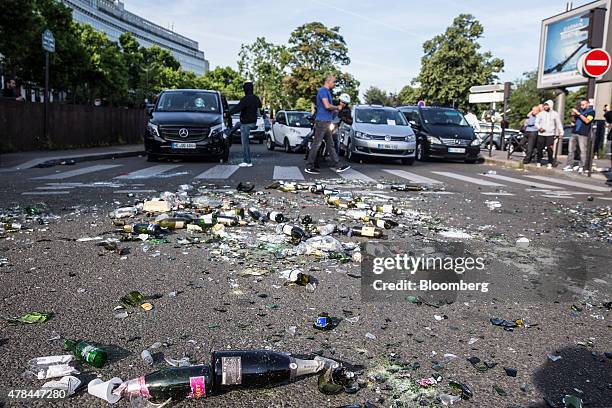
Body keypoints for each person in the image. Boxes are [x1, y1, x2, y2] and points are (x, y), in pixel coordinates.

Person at [304, 75, 350, 175]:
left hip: (327, 122)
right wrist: (337, 107)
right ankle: (309, 166)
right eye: (333, 82)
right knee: (317, 144)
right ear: (328, 81)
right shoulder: (323, 91)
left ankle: (338, 165)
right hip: (322, 121)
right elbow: (327, 106)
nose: (334, 85)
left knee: (330, 145)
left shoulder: (327, 92)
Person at [226, 82, 262, 167]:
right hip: (253, 123)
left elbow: (237, 108)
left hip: (246, 124)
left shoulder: (245, 99)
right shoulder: (255, 98)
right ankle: (227, 133)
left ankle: (247, 161)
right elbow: (260, 105)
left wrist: (227, 114)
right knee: (238, 124)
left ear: (245, 89)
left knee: (245, 143)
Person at [563, 99, 594, 173]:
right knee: (571, 150)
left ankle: (582, 166)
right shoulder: (580, 110)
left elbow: (587, 121)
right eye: (581, 104)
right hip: (574, 132)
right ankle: (569, 165)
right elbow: (574, 121)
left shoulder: (591, 112)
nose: (582, 106)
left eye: (583, 104)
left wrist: (578, 114)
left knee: (582, 151)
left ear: (587, 104)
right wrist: (573, 115)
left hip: (583, 134)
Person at [535, 99, 563, 169]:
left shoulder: (555, 114)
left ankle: (550, 162)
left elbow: (558, 123)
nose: (545, 107)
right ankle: (539, 161)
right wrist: (539, 128)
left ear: (550, 106)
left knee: (549, 149)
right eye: (545, 105)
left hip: (550, 134)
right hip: (541, 134)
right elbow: (536, 123)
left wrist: (561, 132)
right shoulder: (540, 114)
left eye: (547, 105)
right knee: (539, 149)